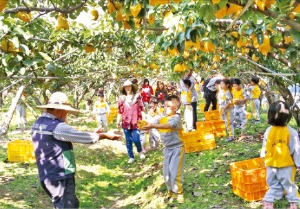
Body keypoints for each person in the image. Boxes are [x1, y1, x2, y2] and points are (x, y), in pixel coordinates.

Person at [31, 92, 121, 209]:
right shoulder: (57, 126)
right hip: (60, 175)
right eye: (66, 112)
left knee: (71, 203)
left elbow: (61, 139)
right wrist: (104, 135)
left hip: (47, 174)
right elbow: (83, 137)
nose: (66, 115)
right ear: (60, 111)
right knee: (66, 205)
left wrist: (94, 134)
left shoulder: (38, 123)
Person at [142, 95, 185, 204]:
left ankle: (178, 192)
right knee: (166, 172)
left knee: (175, 171)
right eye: (164, 106)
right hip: (167, 149)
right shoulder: (162, 118)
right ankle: (170, 190)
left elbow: (169, 125)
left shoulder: (176, 118)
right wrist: (145, 124)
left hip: (177, 148)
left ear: (175, 108)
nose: (165, 108)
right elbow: (152, 121)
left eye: (168, 106)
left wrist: (153, 126)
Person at [260, 101, 300, 209]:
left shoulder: (269, 130)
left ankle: (269, 202)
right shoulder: (292, 132)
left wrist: (263, 157)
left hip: (271, 164)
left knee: (273, 185)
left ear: (270, 116)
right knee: (289, 185)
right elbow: (295, 149)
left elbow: (265, 147)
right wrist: (298, 163)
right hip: (286, 164)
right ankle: (293, 204)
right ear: (288, 116)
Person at [116, 80, 146, 164]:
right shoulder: (122, 98)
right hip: (126, 122)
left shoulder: (137, 96)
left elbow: (141, 108)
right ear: (124, 88)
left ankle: (140, 151)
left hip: (136, 121)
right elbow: (120, 111)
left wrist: (144, 119)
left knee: (136, 139)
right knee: (128, 140)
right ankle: (131, 157)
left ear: (132, 87)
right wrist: (118, 121)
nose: (128, 88)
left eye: (129, 86)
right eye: (126, 87)